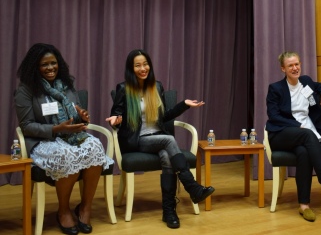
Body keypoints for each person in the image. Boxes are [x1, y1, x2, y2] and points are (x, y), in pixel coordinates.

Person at [106, 49, 214, 229]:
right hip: (137, 140)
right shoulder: (123, 88)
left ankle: (169, 211)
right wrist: (115, 121)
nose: (143, 68)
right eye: (138, 65)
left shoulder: (157, 86)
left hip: (157, 137)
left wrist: (183, 105)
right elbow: (115, 116)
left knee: (166, 156)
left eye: (145, 64)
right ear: (131, 68)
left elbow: (164, 117)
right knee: (169, 141)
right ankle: (192, 186)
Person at [14, 43, 114, 235]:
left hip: (70, 134)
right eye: (44, 64)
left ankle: (85, 207)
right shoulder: (26, 90)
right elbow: (26, 126)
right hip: (44, 140)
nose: (50, 68)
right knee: (65, 154)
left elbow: (74, 114)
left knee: (95, 146)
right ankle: (63, 210)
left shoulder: (66, 85)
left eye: (53, 63)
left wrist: (82, 116)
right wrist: (55, 129)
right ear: (35, 66)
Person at [266, 51, 321, 222]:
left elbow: (319, 86)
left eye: (297, 64)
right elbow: (274, 116)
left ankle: (304, 205)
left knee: (304, 153)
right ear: (283, 68)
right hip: (281, 134)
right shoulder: (276, 88)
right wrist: (297, 125)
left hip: (303, 136)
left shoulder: (305, 82)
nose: (295, 68)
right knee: (307, 134)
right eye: (290, 65)